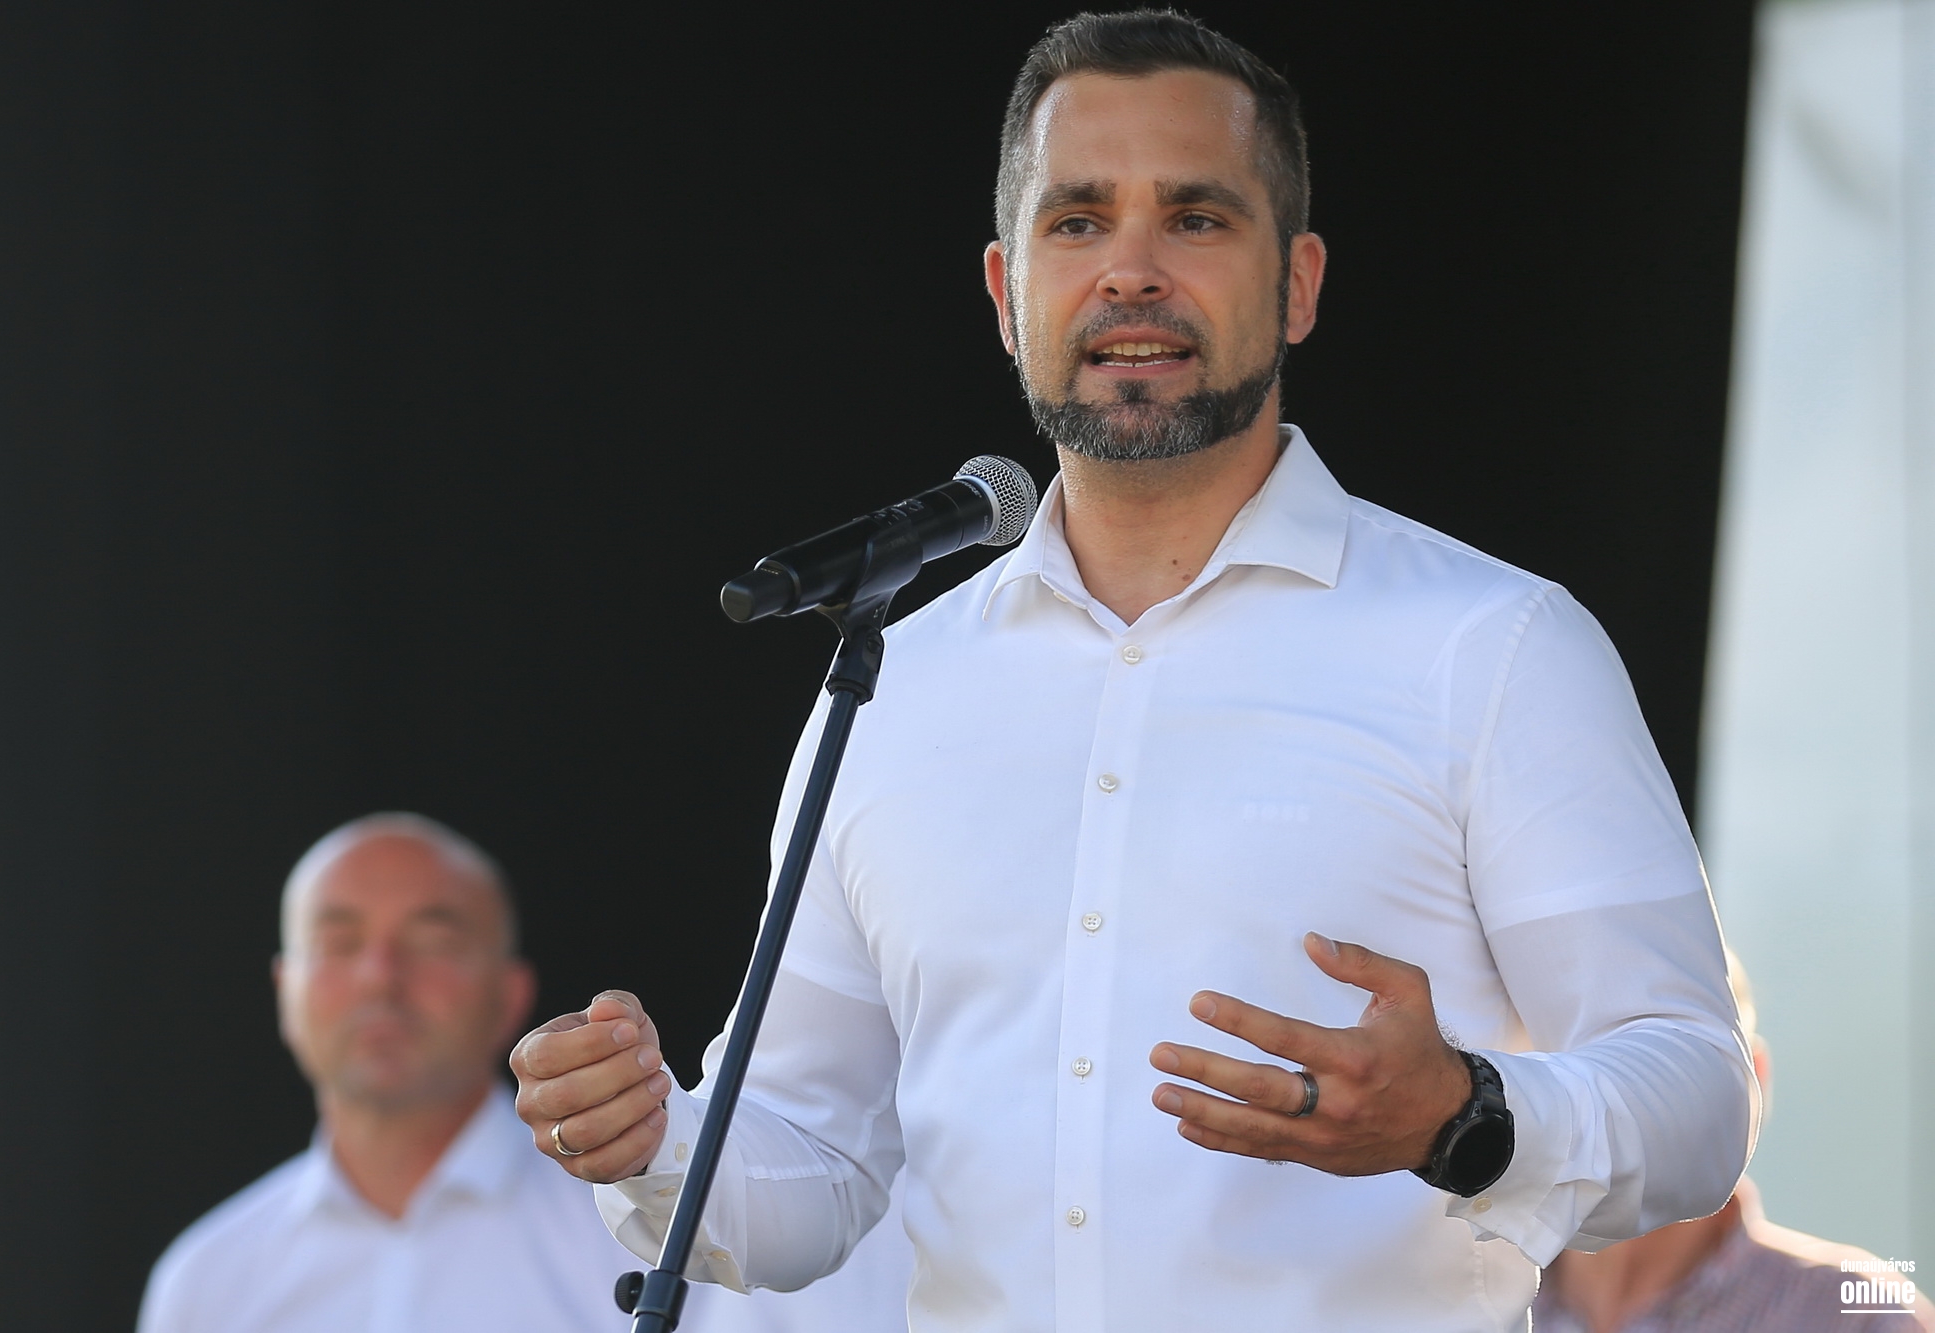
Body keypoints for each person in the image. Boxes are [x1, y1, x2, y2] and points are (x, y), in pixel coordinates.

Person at [510, 11, 1756, 1330]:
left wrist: (1466, 1118)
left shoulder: (1491, 648)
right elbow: (811, 1167)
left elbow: (1693, 1094)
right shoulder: (892, 688)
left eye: (1196, 218)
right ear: (1005, 294)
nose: (1131, 271)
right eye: (1078, 220)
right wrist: (652, 1139)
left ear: (1298, 284)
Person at [139, 812, 910, 1333]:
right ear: (286, 990)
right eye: (339, 943)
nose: (380, 975)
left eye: (432, 940)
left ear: (509, 993)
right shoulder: (206, 1280)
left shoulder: (654, 1224)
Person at [1532, 955, 1927, 1332]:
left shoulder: (1857, 1317)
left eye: (1675, 1067)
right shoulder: (1497, 1294)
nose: (1627, 1101)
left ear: (1753, 1081)